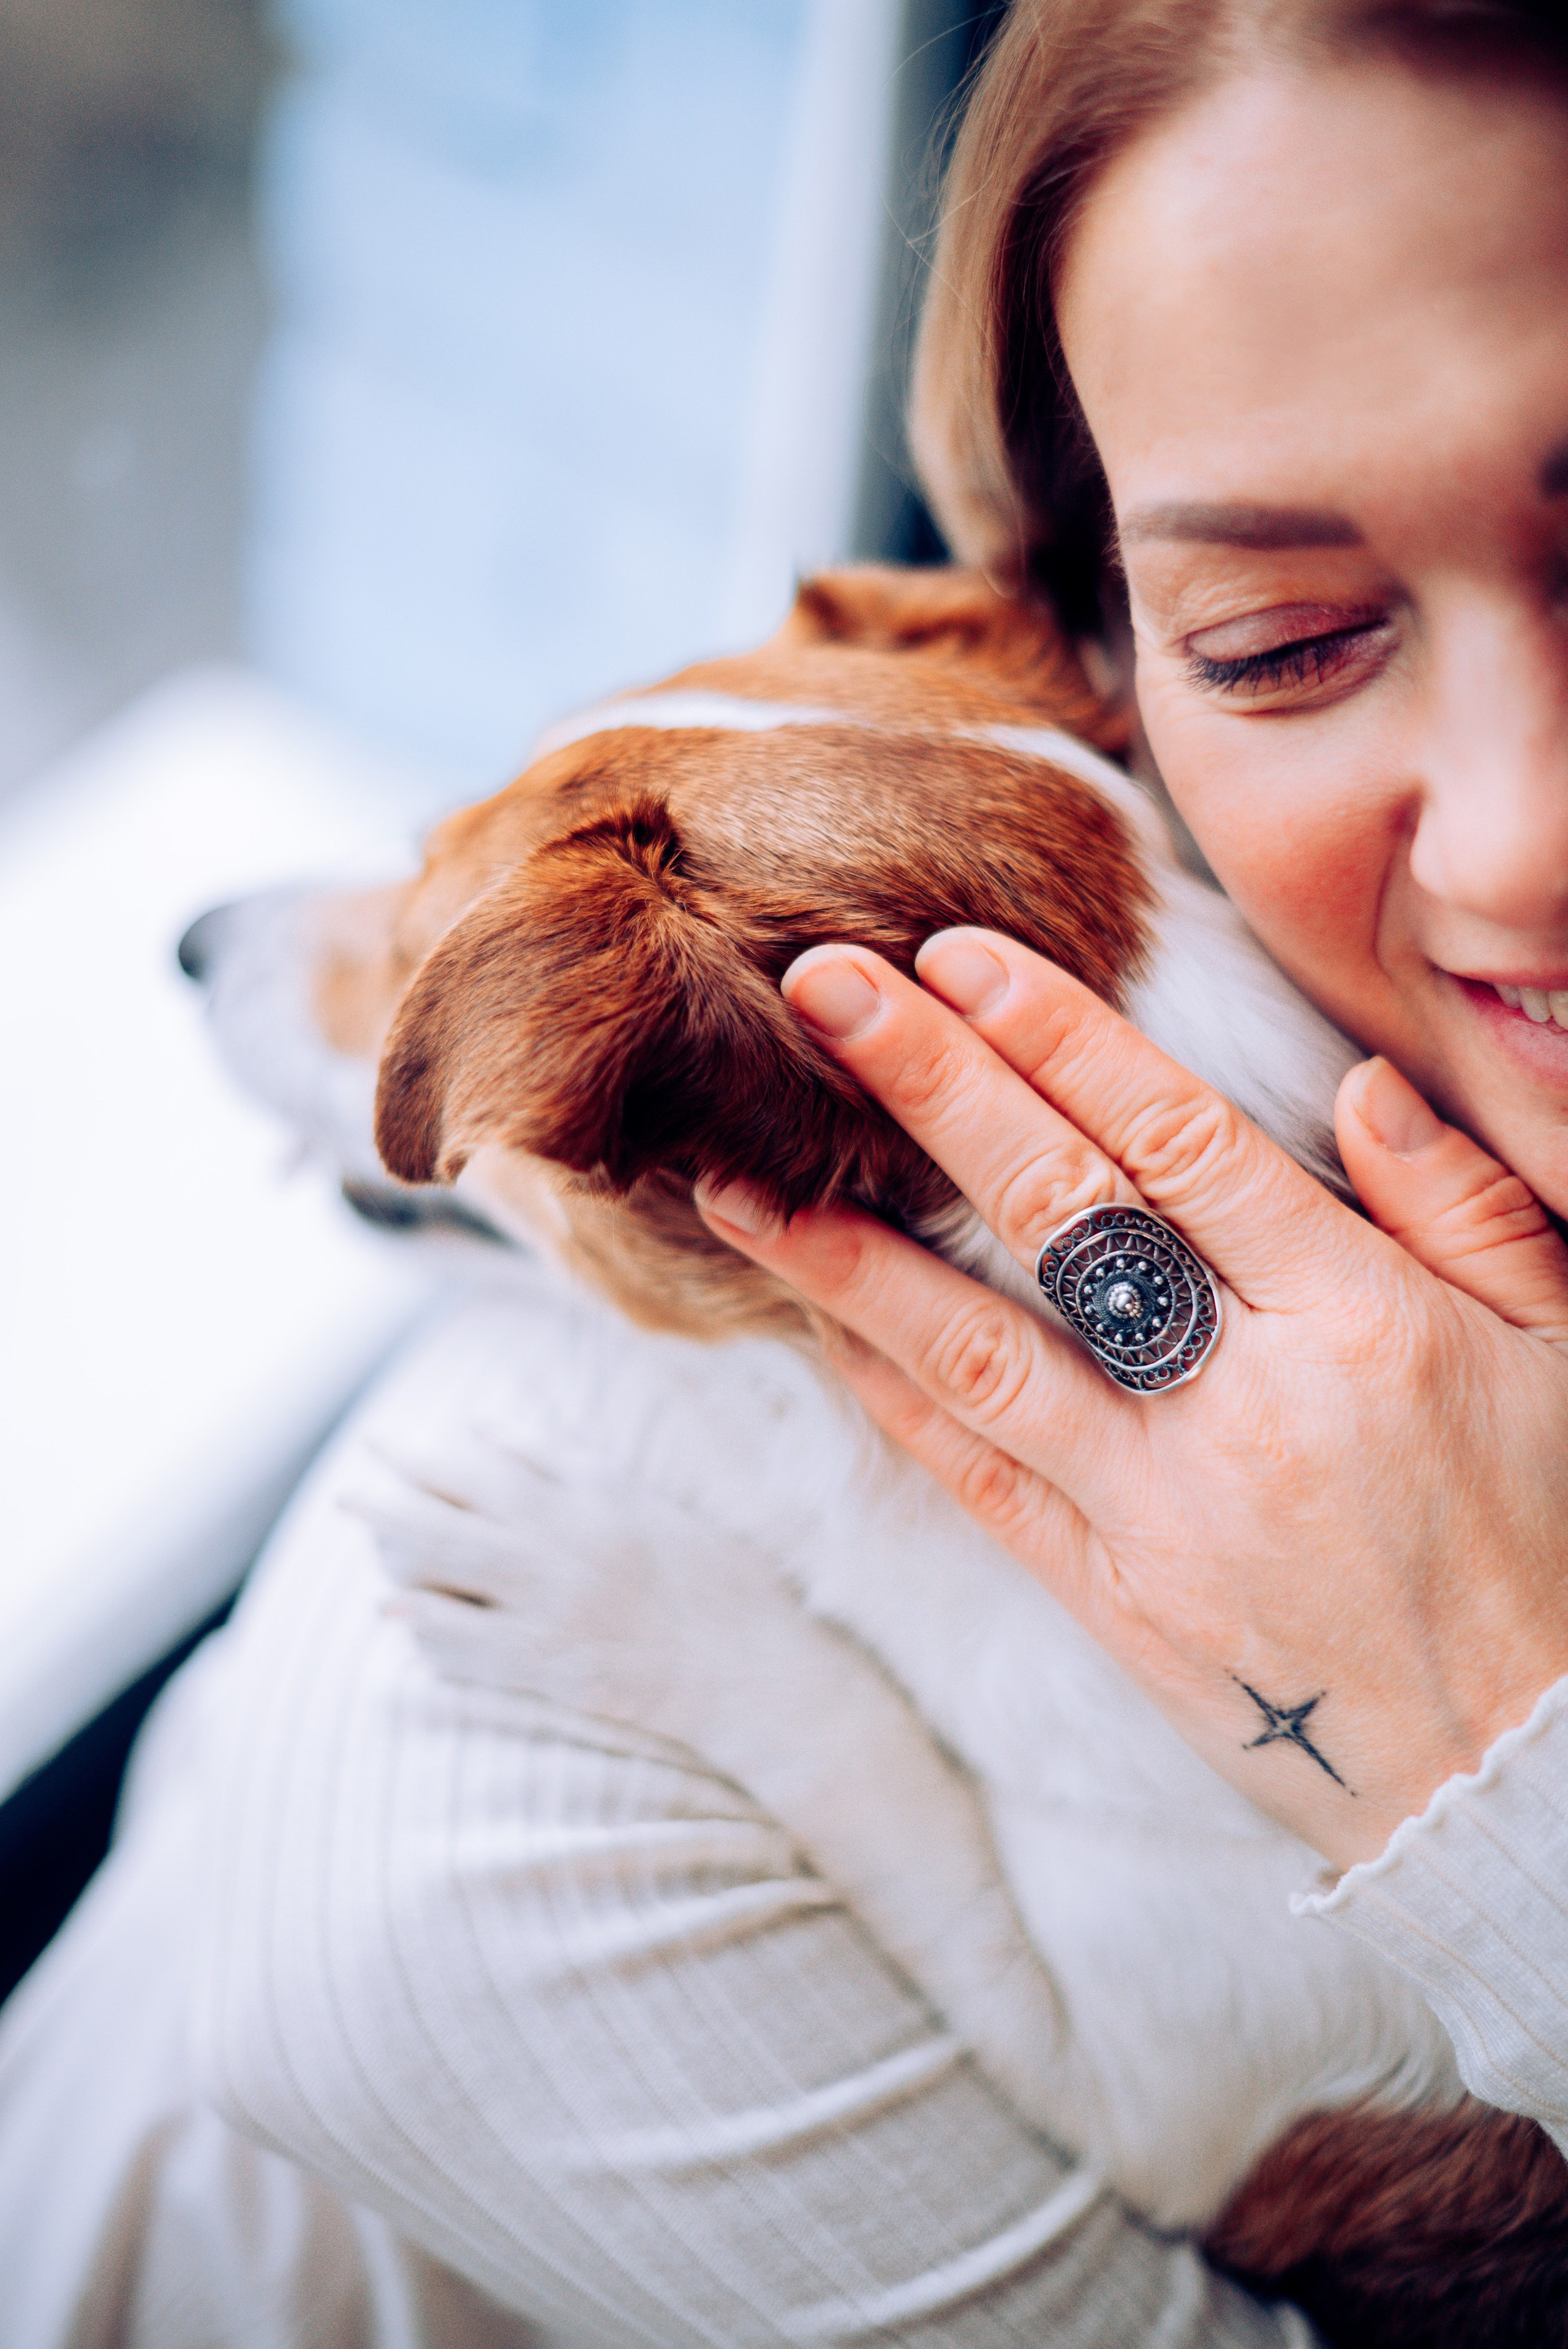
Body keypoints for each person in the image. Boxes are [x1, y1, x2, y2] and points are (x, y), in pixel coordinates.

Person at [5, 0, 1568, 2341]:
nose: (1529, 844)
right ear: (1093, 659)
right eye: (1284, 633)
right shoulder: (465, 1841)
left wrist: (1507, 1788)